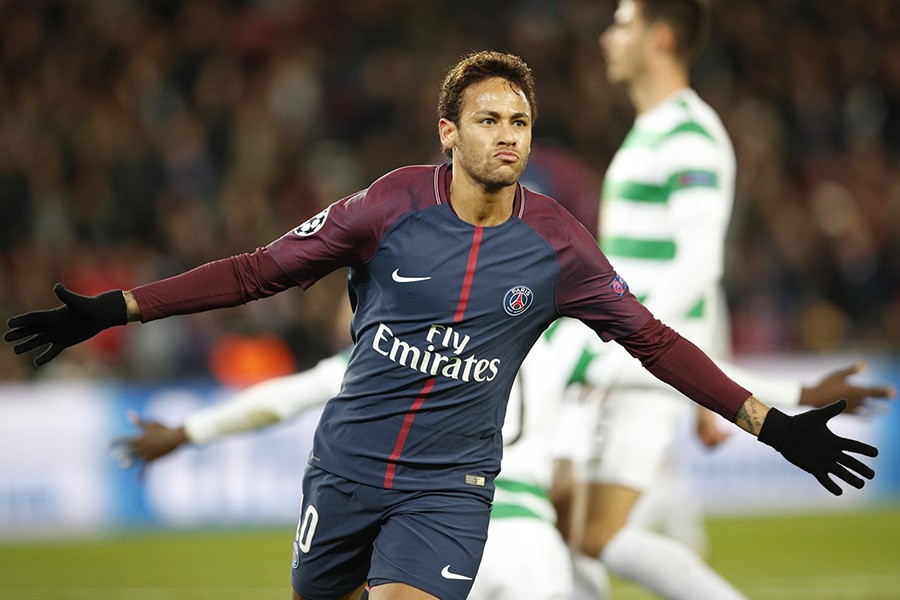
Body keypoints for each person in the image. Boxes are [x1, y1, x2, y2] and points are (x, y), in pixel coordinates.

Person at [4, 50, 878, 600]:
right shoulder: (386, 206)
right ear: (448, 134)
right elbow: (254, 273)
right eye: (489, 120)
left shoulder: (558, 249)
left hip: (449, 493)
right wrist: (119, 307)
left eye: (521, 122)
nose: (508, 135)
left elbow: (655, 342)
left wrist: (769, 425)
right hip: (343, 472)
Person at [113, 326, 893, 600]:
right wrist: (796, 391)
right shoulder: (565, 343)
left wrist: (188, 434)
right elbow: (671, 366)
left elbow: (286, 396)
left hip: (441, 544)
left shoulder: (409, 347)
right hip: (529, 544)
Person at [555, 1, 877, 598]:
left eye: (622, 23)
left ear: (661, 38)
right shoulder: (652, 131)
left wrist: (629, 347)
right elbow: (695, 276)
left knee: (583, 530)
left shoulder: (690, 135)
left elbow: (701, 265)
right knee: (578, 530)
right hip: (631, 353)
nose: (607, 37)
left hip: (633, 356)